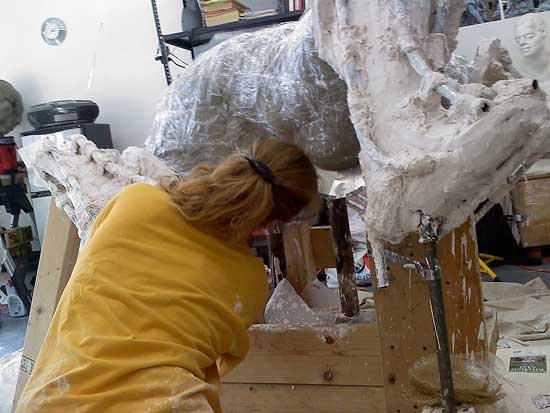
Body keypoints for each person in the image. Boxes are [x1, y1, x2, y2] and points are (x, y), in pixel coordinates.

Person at [16, 138, 318, 412]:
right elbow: (221, 361)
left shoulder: (134, 201)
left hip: (52, 401)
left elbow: (95, 272)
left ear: (234, 162)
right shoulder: (249, 283)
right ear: (273, 222)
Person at [514, 13, 550, 80]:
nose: (522, 42)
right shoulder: (518, 71)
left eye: (529, 36)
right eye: (518, 40)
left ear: (543, 32)